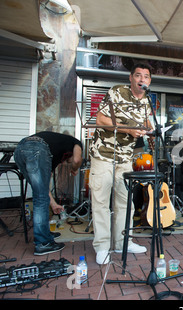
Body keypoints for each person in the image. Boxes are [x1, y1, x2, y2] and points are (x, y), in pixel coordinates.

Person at [89, 63, 153, 265]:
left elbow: (148, 123)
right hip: (104, 154)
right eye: (138, 75)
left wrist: (149, 130)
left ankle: (122, 242)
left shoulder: (147, 100)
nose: (142, 79)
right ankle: (101, 247)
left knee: (125, 202)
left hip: (126, 158)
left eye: (146, 76)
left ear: (149, 81)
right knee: (100, 201)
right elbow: (100, 119)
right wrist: (130, 130)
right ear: (131, 78)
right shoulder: (117, 92)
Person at [14, 131, 83, 255]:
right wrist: (74, 169)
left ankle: (44, 233)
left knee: (39, 193)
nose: (65, 163)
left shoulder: (55, 155)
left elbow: (44, 188)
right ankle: (43, 243)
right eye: (68, 162)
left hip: (19, 150)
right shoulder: (75, 142)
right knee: (40, 199)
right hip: (37, 148)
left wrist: (54, 204)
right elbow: (77, 160)